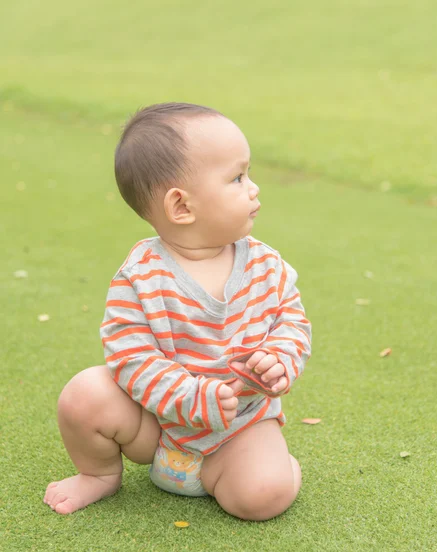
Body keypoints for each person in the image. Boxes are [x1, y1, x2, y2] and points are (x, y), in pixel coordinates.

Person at [43, 102, 312, 521]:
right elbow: (130, 357)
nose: (254, 188)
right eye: (237, 178)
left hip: (238, 427)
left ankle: (271, 467)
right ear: (182, 207)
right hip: (158, 428)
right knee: (84, 394)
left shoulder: (265, 264)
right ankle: (98, 475)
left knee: (263, 497)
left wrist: (279, 360)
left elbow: (291, 322)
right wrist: (189, 398)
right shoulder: (140, 276)